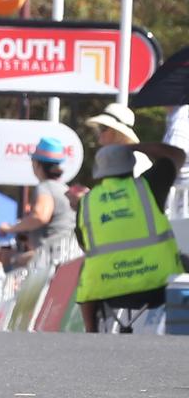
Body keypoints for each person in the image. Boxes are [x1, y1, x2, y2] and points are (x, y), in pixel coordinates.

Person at [75, 142, 185, 332]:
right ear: (130, 164)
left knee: (86, 270)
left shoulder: (86, 202)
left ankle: (90, 331)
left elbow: (85, 246)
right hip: (158, 285)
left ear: (99, 171)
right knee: (184, 263)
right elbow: (178, 155)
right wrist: (136, 146)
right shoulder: (150, 185)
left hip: (108, 291)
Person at [0, 137, 76, 266]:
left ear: (37, 164)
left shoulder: (45, 187)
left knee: (16, 262)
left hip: (51, 259)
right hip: (67, 256)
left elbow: (40, 217)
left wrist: (11, 228)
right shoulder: (64, 189)